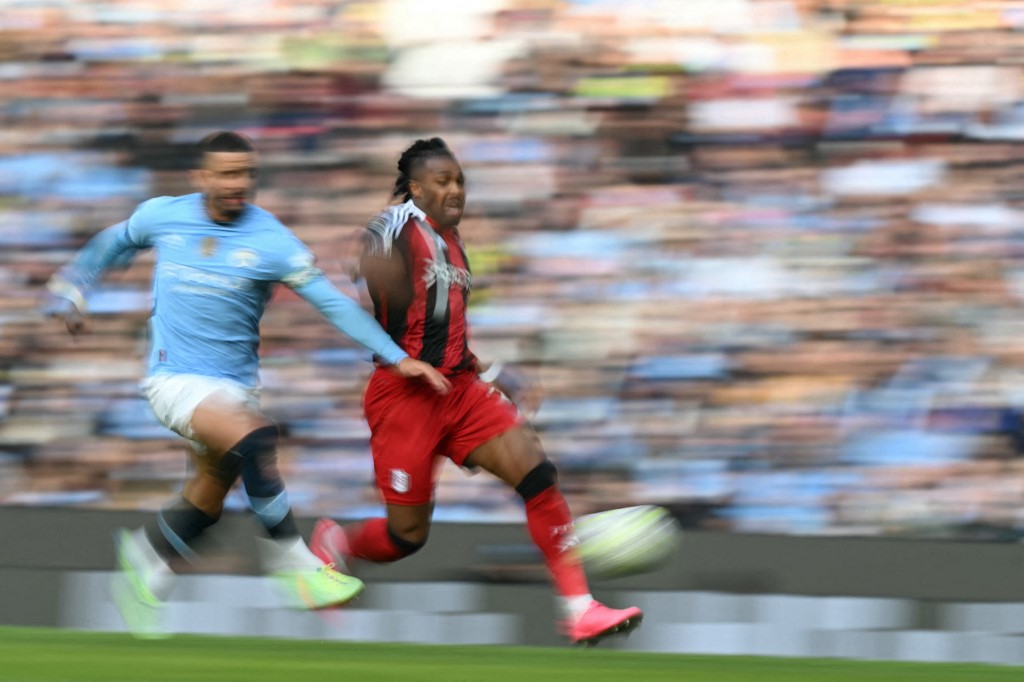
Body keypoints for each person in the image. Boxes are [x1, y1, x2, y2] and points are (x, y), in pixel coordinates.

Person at [43, 131, 451, 637]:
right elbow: (115, 240)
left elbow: (331, 303)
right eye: (228, 174)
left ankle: (147, 558)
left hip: (235, 388)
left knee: (207, 501)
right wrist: (73, 287)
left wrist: (396, 357)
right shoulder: (164, 215)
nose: (239, 183)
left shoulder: (272, 240)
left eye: (247, 174)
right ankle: (294, 566)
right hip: (175, 380)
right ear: (203, 177)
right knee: (256, 438)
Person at [310, 137, 643, 646]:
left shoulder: (455, 244)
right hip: (403, 398)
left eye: (460, 180)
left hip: (460, 391)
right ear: (416, 188)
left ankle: (581, 608)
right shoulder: (396, 225)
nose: (455, 189)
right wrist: (371, 269)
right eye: (442, 181)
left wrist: (496, 373)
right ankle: (338, 542)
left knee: (537, 474)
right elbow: (363, 258)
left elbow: (444, 331)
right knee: (406, 536)